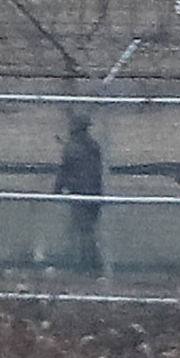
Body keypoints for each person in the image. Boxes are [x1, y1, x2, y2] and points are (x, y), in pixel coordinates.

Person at [53, 109, 106, 273]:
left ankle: (91, 264)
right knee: (86, 229)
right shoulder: (93, 146)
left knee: (84, 230)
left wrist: (57, 190)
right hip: (94, 193)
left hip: (81, 193)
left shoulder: (73, 148)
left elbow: (64, 171)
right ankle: (88, 262)